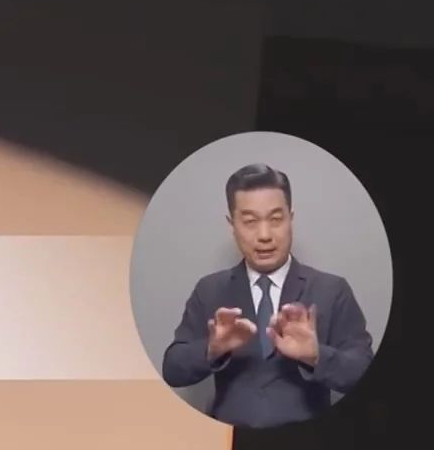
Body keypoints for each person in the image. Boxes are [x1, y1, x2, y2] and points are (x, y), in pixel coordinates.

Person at [159, 163, 374, 427]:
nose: (264, 235)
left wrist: (316, 355)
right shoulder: (210, 289)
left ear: (290, 219)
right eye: (250, 221)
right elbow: (173, 370)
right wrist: (212, 349)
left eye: (275, 219)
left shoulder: (332, 289)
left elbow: (362, 371)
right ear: (232, 224)